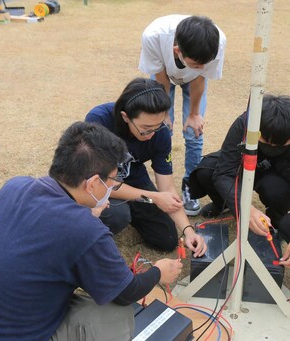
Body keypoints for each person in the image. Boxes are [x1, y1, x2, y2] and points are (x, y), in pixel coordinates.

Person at [0, 122, 183, 340]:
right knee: (113, 316)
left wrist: (85, 217)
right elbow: (125, 292)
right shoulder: (86, 231)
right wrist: (158, 273)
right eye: (111, 180)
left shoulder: (15, 186)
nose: (113, 186)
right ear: (93, 184)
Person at [189, 94, 290, 268]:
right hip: (245, 165)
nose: (272, 147)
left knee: (276, 191)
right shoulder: (246, 122)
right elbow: (224, 172)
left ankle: (274, 219)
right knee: (207, 172)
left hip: (282, 176)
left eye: (280, 144)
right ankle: (226, 205)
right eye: (266, 142)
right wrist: (244, 208)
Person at [85, 77, 207, 255]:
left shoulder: (160, 133)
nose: (152, 134)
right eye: (146, 128)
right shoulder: (100, 120)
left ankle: (131, 208)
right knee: (118, 216)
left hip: (134, 179)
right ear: (126, 117)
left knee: (166, 239)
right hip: (98, 183)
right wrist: (154, 197)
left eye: (157, 126)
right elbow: (100, 181)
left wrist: (188, 230)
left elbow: (167, 187)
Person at [139, 14, 226, 216]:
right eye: (196, 63)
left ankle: (191, 189)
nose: (202, 66)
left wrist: (194, 114)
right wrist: (163, 113)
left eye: (206, 62)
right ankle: (163, 189)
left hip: (194, 81)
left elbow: (200, 76)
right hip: (163, 77)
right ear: (177, 51)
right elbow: (161, 77)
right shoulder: (154, 36)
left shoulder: (217, 42)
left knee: (194, 133)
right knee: (161, 130)